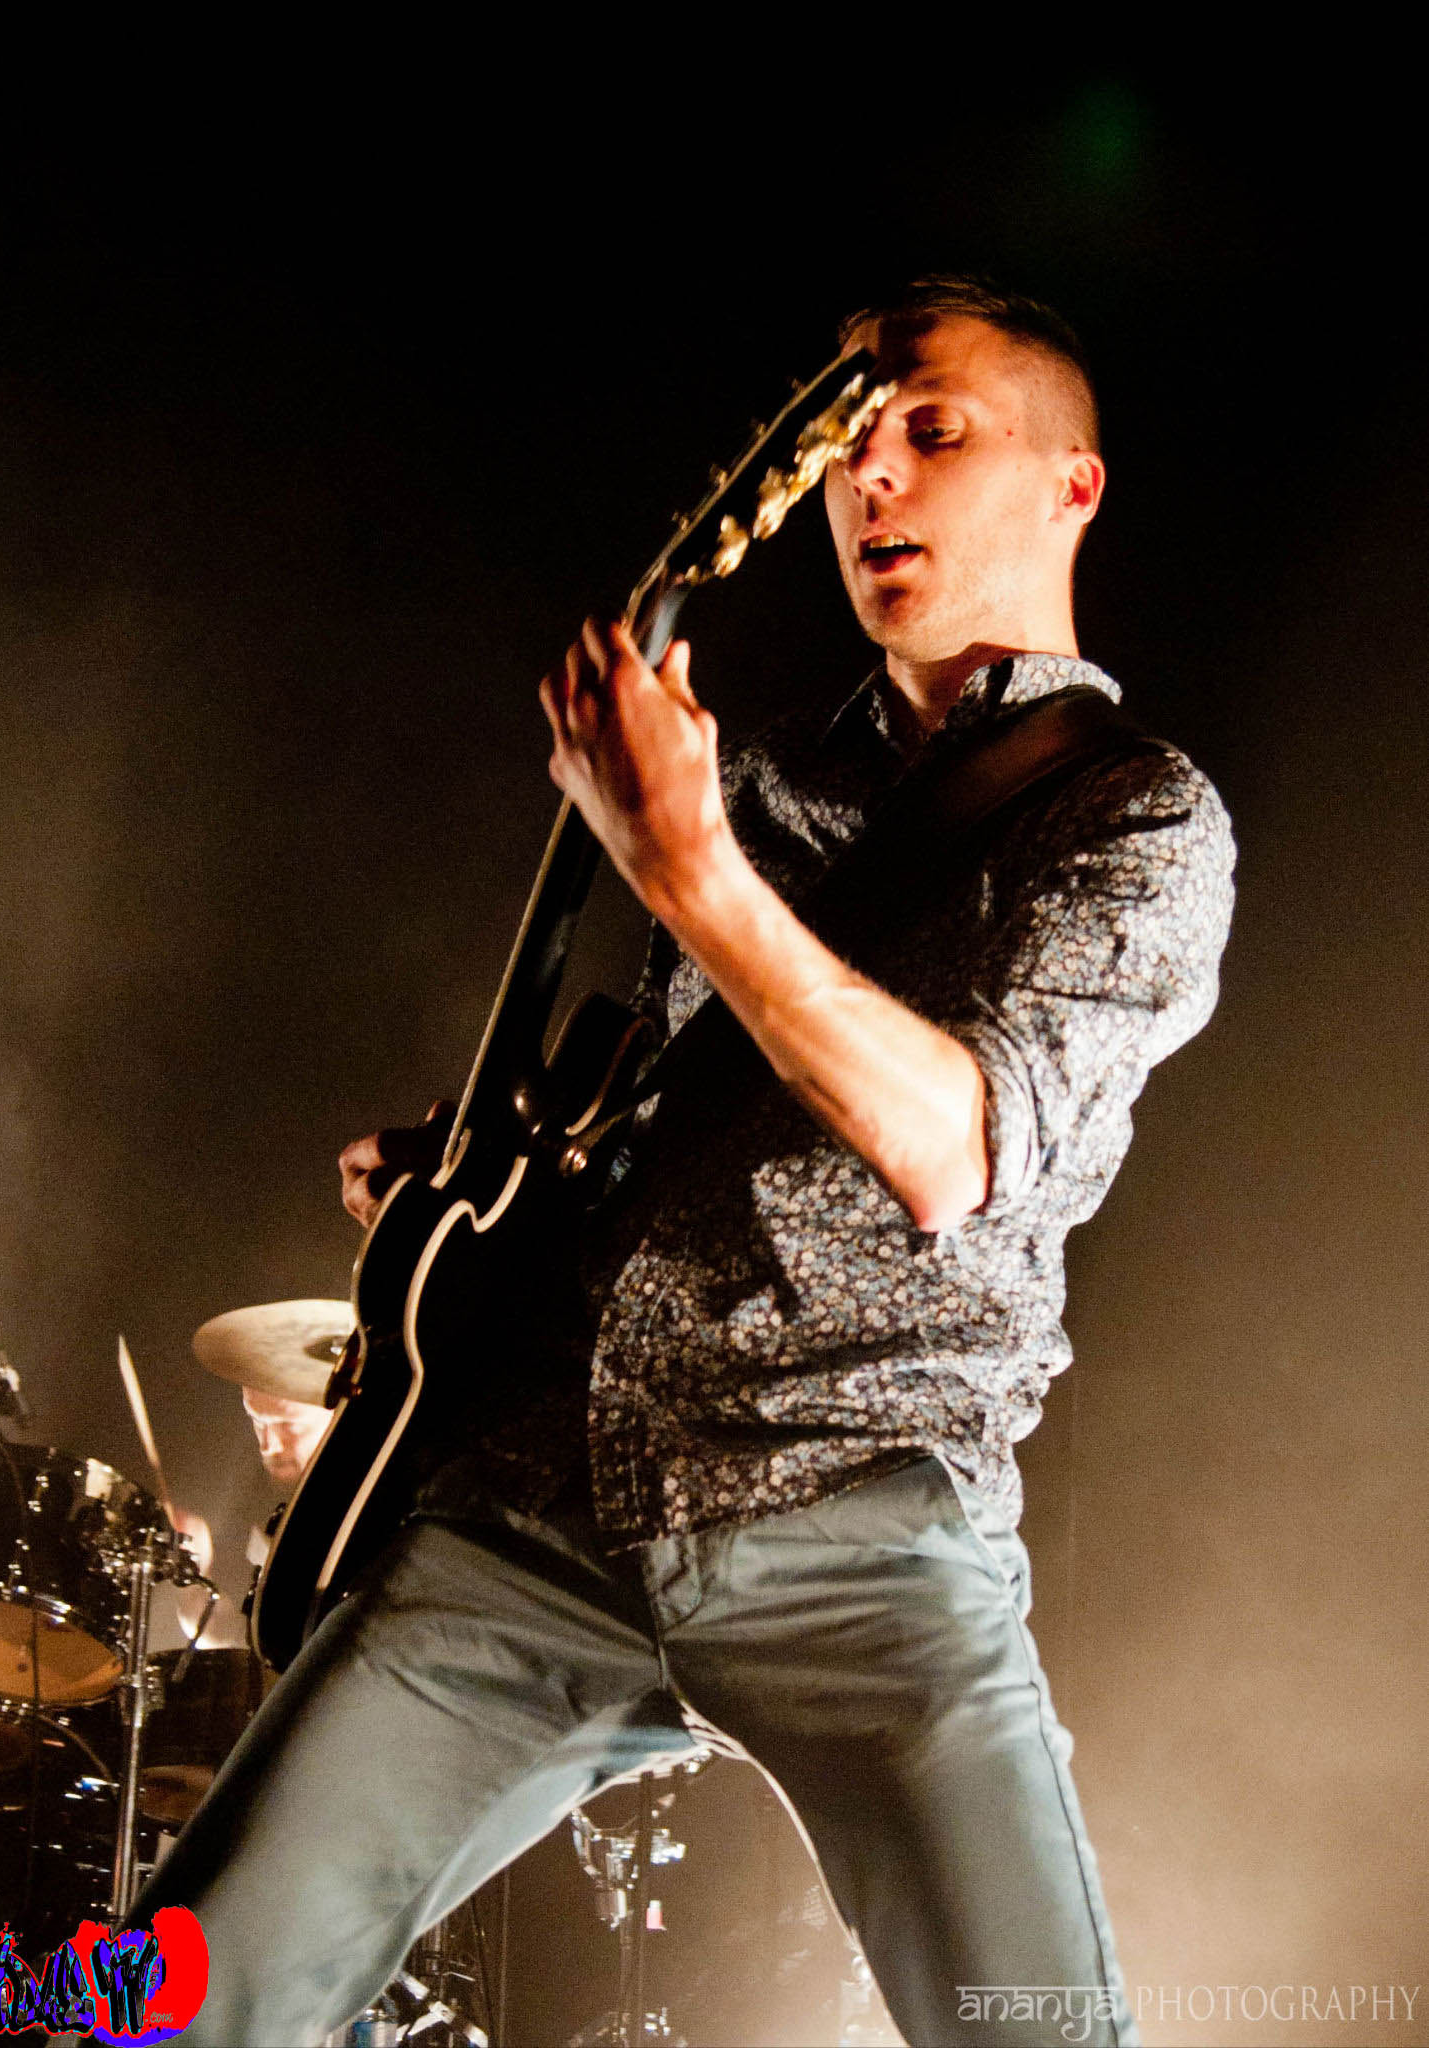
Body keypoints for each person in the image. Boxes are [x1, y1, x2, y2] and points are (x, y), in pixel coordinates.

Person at [137, 277, 1234, 2047]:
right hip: (546, 1507)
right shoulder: (765, 777)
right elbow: (679, 1120)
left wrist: (684, 865)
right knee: (176, 1999)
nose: (871, 480)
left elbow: (955, 1145)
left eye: (932, 432)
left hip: (857, 1515)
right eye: (851, 450)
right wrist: (478, 1186)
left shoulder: (1135, 816)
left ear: (1070, 486)